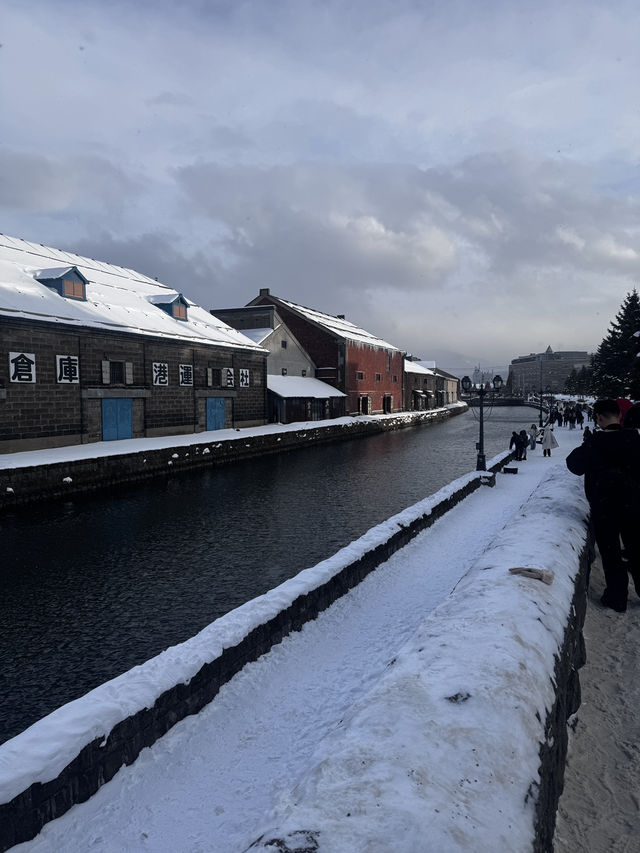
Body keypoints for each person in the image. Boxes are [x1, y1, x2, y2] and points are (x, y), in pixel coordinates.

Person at [566, 398, 640, 612]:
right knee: (637, 549)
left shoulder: (596, 443)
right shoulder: (634, 439)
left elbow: (574, 465)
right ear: (619, 416)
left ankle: (617, 598)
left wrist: (589, 445)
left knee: (611, 554)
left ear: (598, 418)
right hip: (634, 506)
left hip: (605, 508)